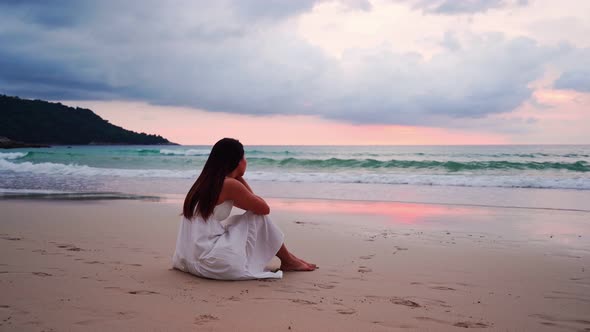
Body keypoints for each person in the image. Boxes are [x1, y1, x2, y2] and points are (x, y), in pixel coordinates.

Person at [172, 138, 316, 280]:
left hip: (189, 260)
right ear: (237, 160)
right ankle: (289, 260)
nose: (246, 161)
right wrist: (239, 178)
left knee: (250, 216)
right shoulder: (229, 185)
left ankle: (290, 259)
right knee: (257, 217)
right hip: (211, 262)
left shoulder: (205, 182)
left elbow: (253, 204)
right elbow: (263, 208)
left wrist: (236, 177)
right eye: (244, 157)